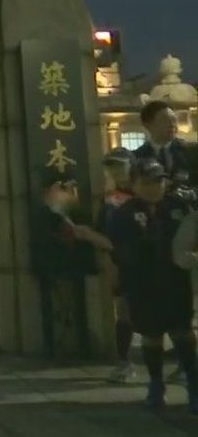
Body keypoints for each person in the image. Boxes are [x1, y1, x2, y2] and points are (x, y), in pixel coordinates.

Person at [107, 159, 198, 412]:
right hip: (143, 285)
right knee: (151, 336)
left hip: (176, 283)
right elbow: (118, 251)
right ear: (134, 184)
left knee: (184, 334)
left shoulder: (179, 206)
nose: (154, 187)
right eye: (147, 182)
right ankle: (156, 385)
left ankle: (194, 385)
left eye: (159, 181)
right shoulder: (123, 213)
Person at [94, 147, 136, 383]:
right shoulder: (110, 200)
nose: (116, 171)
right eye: (111, 166)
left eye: (121, 165)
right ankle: (124, 361)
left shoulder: (148, 192)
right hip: (122, 264)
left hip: (152, 264)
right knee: (124, 312)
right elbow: (103, 234)